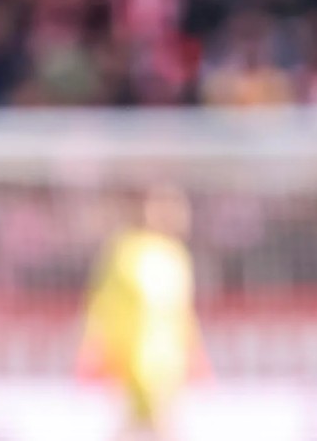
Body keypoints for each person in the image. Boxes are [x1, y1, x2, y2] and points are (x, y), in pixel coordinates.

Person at [78, 185, 210, 441]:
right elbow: (101, 305)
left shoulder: (176, 255)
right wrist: (95, 346)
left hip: (168, 360)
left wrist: (195, 353)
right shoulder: (127, 251)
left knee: (147, 425)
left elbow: (181, 314)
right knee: (156, 425)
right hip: (136, 359)